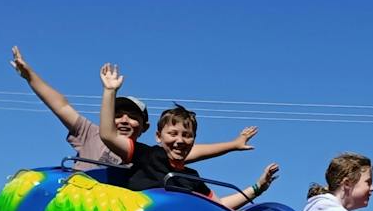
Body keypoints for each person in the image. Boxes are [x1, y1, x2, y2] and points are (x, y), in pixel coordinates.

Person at [96, 63, 266, 195]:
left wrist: (257, 187)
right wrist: (110, 91)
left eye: (187, 136)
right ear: (158, 136)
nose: (179, 141)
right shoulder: (147, 155)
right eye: (172, 134)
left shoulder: (191, 177)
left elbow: (219, 205)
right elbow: (108, 135)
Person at [10, 45, 147, 168]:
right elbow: (62, 106)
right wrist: (30, 76)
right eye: (117, 116)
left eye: (132, 117)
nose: (124, 120)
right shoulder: (92, 134)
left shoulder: (147, 158)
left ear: (144, 127)